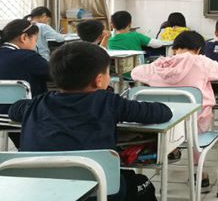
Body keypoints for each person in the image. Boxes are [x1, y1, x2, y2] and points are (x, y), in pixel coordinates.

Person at [8, 42, 172, 200]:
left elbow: (14, 110)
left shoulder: (35, 104)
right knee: (142, 184)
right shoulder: (108, 102)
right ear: (99, 80)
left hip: (41, 191)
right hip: (100, 191)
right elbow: (161, 113)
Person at [131, 31, 218, 193]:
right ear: (199, 49)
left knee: (175, 118)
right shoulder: (201, 62)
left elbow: (135, 73)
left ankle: (173, 148)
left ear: (174, 48)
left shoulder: (160, 64)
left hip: (164, 124)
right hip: (195, 125)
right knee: (200, 120)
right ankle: (200, 175)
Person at [0, 19, 49, 115]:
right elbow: (57, 74)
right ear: (24, 37)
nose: (35, 45)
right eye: (35, 40)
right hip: (22, 115)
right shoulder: (28, 57)